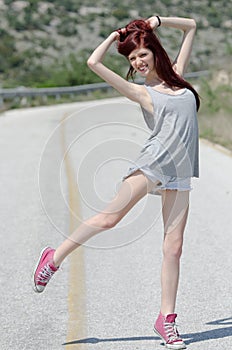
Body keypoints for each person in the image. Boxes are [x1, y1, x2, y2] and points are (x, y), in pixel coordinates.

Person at [33, 15, 200, 350]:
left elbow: (192, 26)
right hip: (153, 164)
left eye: (142, 55)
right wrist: (114, 36)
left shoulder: (179, 78)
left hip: (181, 171)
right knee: (110, 218)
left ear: (154, 52)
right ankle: (54, 257)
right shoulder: (141, 91)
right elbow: (93, 61)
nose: (137, 62)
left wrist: (156, 21)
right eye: (132, 58)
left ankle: (166, 320)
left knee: (174, 248)